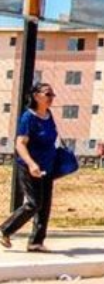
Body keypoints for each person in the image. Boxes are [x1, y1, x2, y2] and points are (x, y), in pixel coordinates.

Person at [1, 83, 60, 252]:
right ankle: (5, 230)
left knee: (45, 206)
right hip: (29, 167)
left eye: (52, 95)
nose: (51, 98)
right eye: (47, 94)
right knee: (34, 203)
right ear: (36, 96)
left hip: (47, 166)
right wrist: (31, 163)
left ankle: (36, 242)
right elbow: (20, 143)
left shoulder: (49, 115)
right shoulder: (28, 117)